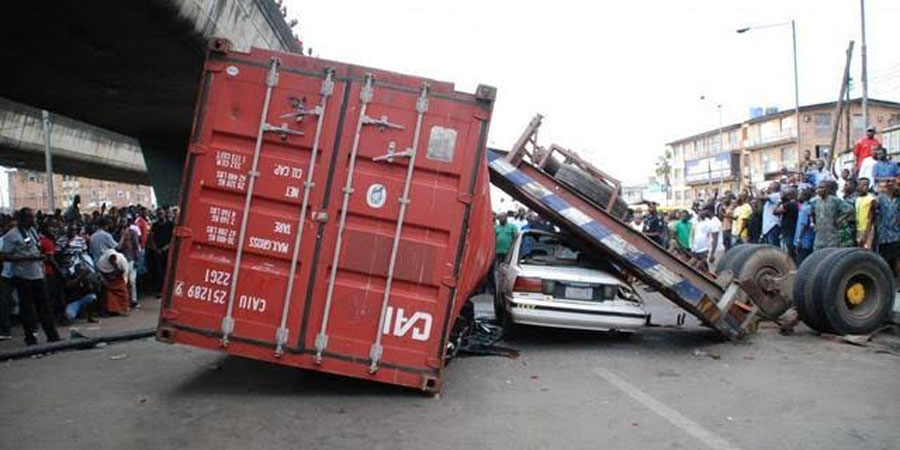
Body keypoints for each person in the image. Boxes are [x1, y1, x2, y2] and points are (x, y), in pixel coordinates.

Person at [0, 208, 60, 345]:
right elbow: (3, 256)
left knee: (44, 306)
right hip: (23, 276)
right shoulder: (12, 235)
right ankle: (30, 337)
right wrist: (25, 258)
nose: (33, 220)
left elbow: (35, 247)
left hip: (37, 273)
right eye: (30, 217)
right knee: (27, 308)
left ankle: (52, 335)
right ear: (22, 219)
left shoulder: (32, 231)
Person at [811, 180, 854, 250]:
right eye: (818, 187)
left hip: (832, 235)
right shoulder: (816, 201)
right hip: (819, 236)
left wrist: (839, 220)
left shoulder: (834, 200)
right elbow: (812, 212)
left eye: (822, 187)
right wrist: (813, 223)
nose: (819, 190)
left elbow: (850, 209)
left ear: (827, 189)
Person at [872, 179, 900, 279]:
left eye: (894, 184)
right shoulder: (880, 198)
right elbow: (872, 212)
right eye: (889, 184)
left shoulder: (898, 200)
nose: (892, 186)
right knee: (885, 259)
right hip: (884, 235)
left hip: (896, 235)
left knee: (896, 259)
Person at [690, 206, 721, 271]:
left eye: (702, 210)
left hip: (706, 250)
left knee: (703, 267)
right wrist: (693, 248)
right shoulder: (699, 222)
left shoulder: (713, 223)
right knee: (700, 268)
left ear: (708, 211)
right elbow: (694, 235)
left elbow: (715, 239)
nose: (700, 212)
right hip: (697, 249)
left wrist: (712, 253)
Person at [119, 217, 141, 306]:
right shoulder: (118, 233)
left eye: (124, 221)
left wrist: (137, 259)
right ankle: (125, 300)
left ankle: (133, 299)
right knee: (124, 280)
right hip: (121, 259)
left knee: (131, 280)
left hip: (130, 258)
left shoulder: (132, 232)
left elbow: (136, 246)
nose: (122, 223)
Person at [776, 187, 799, 260]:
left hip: (788, 231)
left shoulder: (789, 204)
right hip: (791, 230)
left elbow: (775, 211)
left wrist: (779, 202)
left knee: (788, 252)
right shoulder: (796, 204)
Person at [794, 188, 816, 264]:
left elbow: (803, 225)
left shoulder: (805, 208)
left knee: (802, 262)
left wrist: (798, 240)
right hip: (808, 240)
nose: (797, 196)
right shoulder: (809, 207)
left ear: (804, 196)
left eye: (799, 194)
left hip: (804, 241)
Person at [758, 182, 782, 246]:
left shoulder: (776, 195)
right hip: (767, 228)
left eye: (770, 185)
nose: (768, 187)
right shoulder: (769, 199)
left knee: (774, 248)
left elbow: (760, 197)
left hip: (773, 226)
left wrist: (753, 187)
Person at [855, 177, 876, 249]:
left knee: (867, 250)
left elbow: (871, 218)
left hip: (867, 230)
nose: (862, 187)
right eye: (860, 184)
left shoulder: (871, 199)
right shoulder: (857, 198)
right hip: (858, 228)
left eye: (865, 185)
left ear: (868, 186)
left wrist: (865, 234)